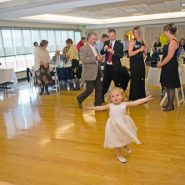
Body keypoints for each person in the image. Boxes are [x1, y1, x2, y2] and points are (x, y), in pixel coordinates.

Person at [86, 87, 152, 163]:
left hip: (124, 124)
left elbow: (136, 102)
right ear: (110, 99)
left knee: (125, 136)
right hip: (114, 126)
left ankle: (125, 145)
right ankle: (119, 155)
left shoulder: (124, 104)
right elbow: (101, 107)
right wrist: (91, 107)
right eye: (112, 96)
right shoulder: (110, 105)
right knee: (116, 141)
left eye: (117, 95)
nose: (115, 97)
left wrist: (145, 99)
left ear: (122, 96)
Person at [77, 32, 104, 108]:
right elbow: (84, 59)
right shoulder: (83, 48)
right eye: (94, 39)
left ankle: (98, 105)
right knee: (89, 90)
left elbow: (97, 58)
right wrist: (95, 58)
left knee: (99, 90)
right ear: (88, 39)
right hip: (89, 73)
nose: (95, 40)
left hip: (97, 72)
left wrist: (100, 59)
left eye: (96, 39)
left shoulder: (95, 48)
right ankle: (79, 98)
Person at [157, 23, 181, 112]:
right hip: (168, 65)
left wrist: (161, 64)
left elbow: (169, 56)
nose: (164, 33)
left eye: (165, 31)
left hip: (170, 66)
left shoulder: (173, 41)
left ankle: (170, 105)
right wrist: (161, 61)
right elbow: (165, 55)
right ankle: (169, 103)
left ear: (168, 31)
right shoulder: (169, 40)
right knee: (167, 85)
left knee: (171, 86)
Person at [100, 29, 125, 101]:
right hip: (107, 67)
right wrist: (104, 49)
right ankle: (101, 99)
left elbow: (121, 55)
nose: (111, 37)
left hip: (116, 67)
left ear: (115, 35)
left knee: (117, 84)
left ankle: (120, 99)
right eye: (110, 35)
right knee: (105, 83)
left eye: (112, 35)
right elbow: (102, 52)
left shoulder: (119, 44)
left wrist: (113, 52)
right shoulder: (106, 42)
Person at [128, 26, 147, 100]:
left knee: (141, 79)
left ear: (139, 33)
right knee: (135, 79)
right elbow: (130, 54)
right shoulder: (132, 41)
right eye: (134, 32)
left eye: (136, 32)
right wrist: (139, 50)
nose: (135, 34)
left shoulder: (143, 41)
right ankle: (134, 97)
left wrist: (145, 49)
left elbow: (145, 53)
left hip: (141, 63)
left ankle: (141, 97)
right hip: (134, 63)